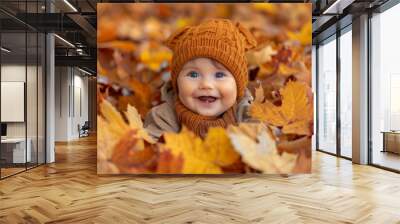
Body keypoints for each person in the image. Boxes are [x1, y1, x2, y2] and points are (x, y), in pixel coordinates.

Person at [144, 18, 257, 140]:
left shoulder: (248, 116)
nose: (206, 84)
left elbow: (262, 145)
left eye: (219, 75)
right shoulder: (164, 117)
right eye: (193, 75)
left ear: (238, 85)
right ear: (176, 82)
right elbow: (151, 150)